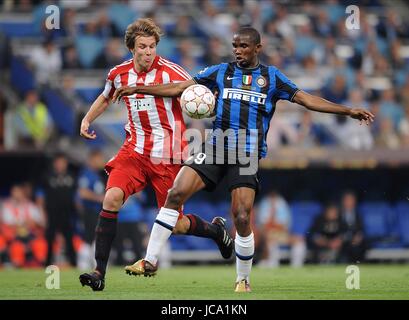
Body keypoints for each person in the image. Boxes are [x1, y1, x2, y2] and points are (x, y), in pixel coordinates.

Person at [113, 26, 374, 292]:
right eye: (235, 46)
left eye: (244, 46)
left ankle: (243, 280)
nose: (238, 51)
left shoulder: (272, 77)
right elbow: (180, 87)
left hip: (245, 153)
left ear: (257, 48)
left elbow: (306, 99)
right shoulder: (220, 71)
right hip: (215, 147)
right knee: (176, 192)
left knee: (240, 215)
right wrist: (138, 89)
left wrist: (347, 110)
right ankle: (149, 260)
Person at [78, 18, 233, 291]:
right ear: (131, 48)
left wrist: (205, 109)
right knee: (112, 197)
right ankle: (98, 272)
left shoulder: (171, 71)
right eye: (142, 47)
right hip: (134, 151)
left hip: (169, 156)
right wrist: (87, 119)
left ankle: (216, 231)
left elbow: (194, 90)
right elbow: (105, 97)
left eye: (152, 46)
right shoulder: (118, 74)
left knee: (177, 225)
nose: (148, 52)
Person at [37, 152, 77, 268]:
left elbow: (76, 194)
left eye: (63, 162)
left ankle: (74, 263)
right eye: (58, 162)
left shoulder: (71, 176)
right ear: (55, 163)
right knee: (50, 238)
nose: (60, 165)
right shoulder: (47, 176)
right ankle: (47, 263)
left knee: (69, 238)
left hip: (67, 213)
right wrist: (42, 212)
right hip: (52, 212)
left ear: (66, 163)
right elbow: (40, 195)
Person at [339, 191, 367, 263]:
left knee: (358, 246)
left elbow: (361, 229)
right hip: (342, 242)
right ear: (343, 201)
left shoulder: (359, 215)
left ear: (355, 202)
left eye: (351, 200)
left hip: (356, 243)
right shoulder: (337, 214)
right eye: (347, 200)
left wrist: (358, 237)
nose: (349, 202)